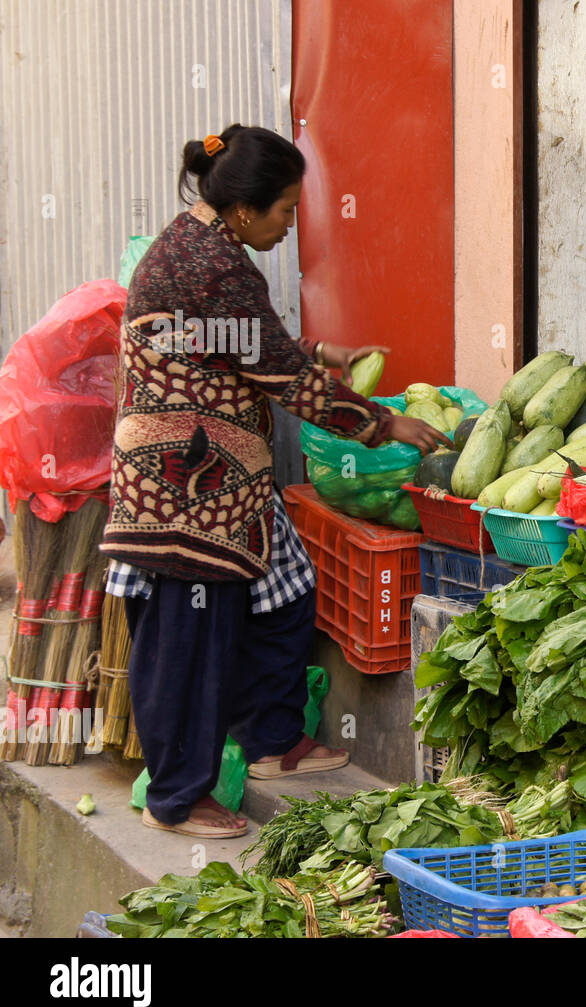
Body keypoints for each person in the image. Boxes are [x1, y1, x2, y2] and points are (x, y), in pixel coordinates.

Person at [101, 124, 445, 838]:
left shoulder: (204, 245)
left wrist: (324, 349)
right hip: (185, 493)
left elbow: (242, 340)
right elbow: (280, 374)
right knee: (183, 644)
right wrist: (383, 425)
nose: (293, 225)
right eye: (286, 210)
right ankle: (177, 795)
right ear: (245, 210)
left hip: (233, 485)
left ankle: (272, 740)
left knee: (283, 596)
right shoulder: (214, 264)